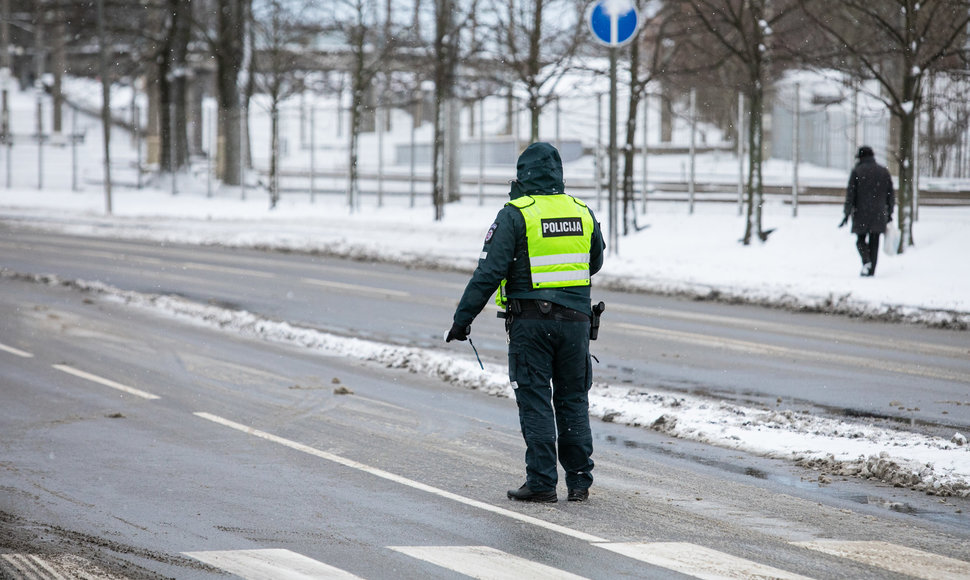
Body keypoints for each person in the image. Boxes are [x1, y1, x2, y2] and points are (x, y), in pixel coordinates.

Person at [445, 142, 606, 503]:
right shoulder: (582, 211)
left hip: (531, 323)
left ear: (522, 175)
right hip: (578, 322)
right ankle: (580, 481)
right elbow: (593, 262)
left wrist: (462, 321)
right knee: (573, 399)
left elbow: (489, 272)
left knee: (535, 399)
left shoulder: (516, 213)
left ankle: (542, 482)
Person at [840, 145, 895, 277]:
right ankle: (871, 269)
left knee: (860, 240)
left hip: (861, 212)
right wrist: (890, 212)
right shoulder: (883, 171)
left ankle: (866, 261)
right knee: (874, 241)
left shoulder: (857, 171)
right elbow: (890, 194)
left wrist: (846, 214)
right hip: (879, 213)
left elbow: (850, 195)